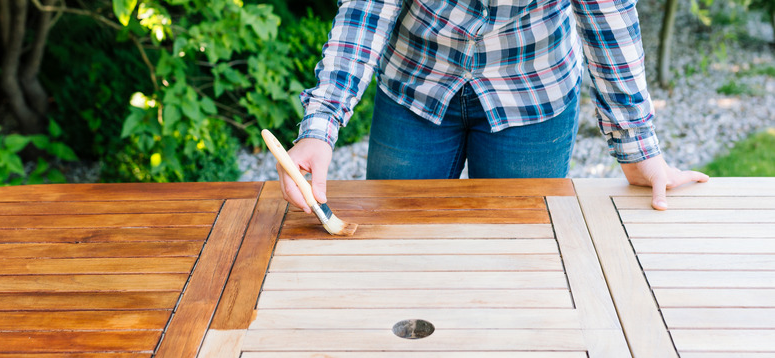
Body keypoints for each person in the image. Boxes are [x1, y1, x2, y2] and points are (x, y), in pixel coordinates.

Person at [276, 0, 709, 213]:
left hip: (534, 87)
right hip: (416, 81)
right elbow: (367, 9)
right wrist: (320, 125)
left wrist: (638, 149)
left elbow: (607, 16)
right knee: (397, 243)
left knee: (520, 257)